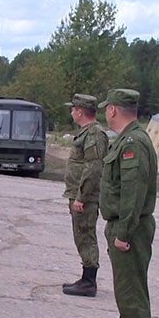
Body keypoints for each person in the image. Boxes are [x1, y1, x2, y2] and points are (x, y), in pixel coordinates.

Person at [97, 88, 157, 318]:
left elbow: (133, 193)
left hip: (130, 228)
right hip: (126, 225)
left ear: (112, 110)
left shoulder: (133, 141)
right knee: (127, 288)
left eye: (106, 108)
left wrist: (123, 233)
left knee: (131, 289)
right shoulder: (129, 139)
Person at [61, 94, 108, 298]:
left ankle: (89, 281)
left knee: (86, 234)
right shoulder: (87, 133)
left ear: (80, 111)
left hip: (85, 197)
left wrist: (82, 196)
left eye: (73, 109)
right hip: (79, 194)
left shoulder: (95, 134)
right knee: (81, 234)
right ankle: (85, 277)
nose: (71, 112)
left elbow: (94, 167)